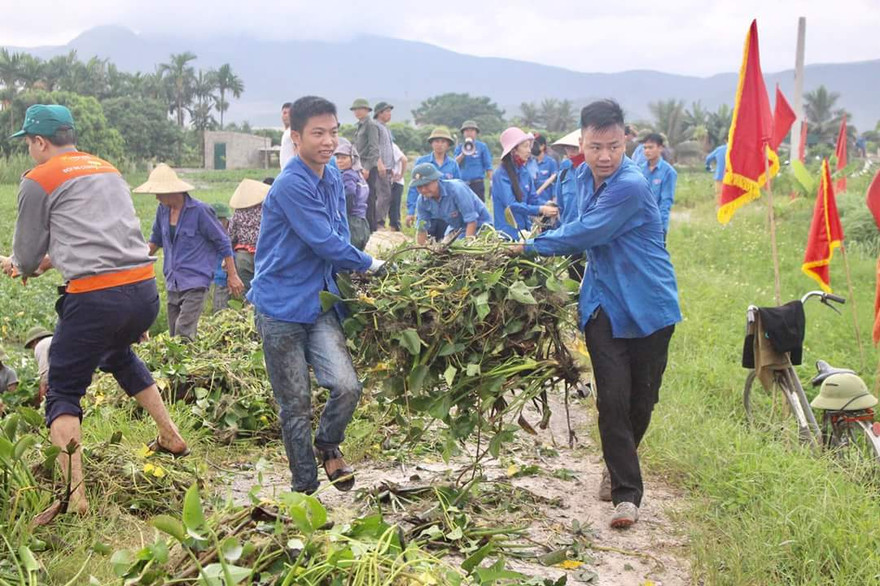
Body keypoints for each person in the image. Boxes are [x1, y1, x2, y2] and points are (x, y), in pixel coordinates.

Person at [2, 104, 189, 524]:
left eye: (29, 143)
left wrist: (22, 264)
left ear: (39, 142)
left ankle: (75, 500)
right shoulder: (107, 169)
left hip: (95, 298)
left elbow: (28, 257)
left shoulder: (39, 178)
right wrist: (53, 260)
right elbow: (97, 237)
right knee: (118, 355)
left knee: (63, 391)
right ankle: (169, 435)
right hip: (142, 291)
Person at [512, 99, 681, 529]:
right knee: (612, 399)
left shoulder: (632, 185)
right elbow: (572, 224)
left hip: (649, 304)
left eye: (613, 147)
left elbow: (588, 231)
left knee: (643, 399)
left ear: (626, 141)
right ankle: (628, 496)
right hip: (603, 302)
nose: (604, 157)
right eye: (594, 147)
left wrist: (529, 247)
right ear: (581, 142)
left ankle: (617, 462)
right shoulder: (575, 177)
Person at [247, 96, 386, 495]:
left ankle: (327, 444)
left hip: (320, 301)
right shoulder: (292, 184)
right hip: (280, 307)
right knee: (295, 405)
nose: (328, 142)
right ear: (296, 137)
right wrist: (371, 264)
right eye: (318, 133)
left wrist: (358, 272)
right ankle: (304, 491)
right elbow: (323, 240)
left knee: (346, 385)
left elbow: (339, 236)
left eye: (334, 133)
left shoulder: (330, 178)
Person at [135, 164, 244, 340]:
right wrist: (135, 263)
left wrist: (232, 275)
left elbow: (222, 241)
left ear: (172, 191)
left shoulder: (200, 211)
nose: (156, 197)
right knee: (173, 335)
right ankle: (178, 365)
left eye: (159, 193)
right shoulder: (162, 211)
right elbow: (155, 240)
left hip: (195, 280)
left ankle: (182, 362)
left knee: (183, 331)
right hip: (173, 280)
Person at [491, 127, 558, 240]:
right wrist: (540, 209)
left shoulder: (524, 172)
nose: (529, 150)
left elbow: (533, 199)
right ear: (513, 150)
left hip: (525, 232)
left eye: (529, 146)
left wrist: (547, 205)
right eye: (525, 146)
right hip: (507, 236)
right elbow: (511, 205)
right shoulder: (500, 174)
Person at [411, 163, 492, 245]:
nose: (423, 190)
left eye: (426, 185)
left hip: (480, 226)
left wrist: (467, 246)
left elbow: (472, 221)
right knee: (441, 251)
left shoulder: (456, 189)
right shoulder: (422, 201)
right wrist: (421, 251)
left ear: (436, 180)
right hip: (456, 228)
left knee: (464, 252)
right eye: (419, 187)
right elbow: (422, 229)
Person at [405, 126, 462, 237]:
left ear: (448, 144)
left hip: (448, 215)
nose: (439, 144)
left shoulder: (453, 164)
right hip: (428, 212)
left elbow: (458, 188)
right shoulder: (422, 162)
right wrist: (411, 212)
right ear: (431, 143)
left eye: (443, 142)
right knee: (427, 244)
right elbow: (414, 188)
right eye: (436, 141)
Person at [229, 178, 270, 298]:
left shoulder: (238, 213)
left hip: (243, 256)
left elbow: (230, 235)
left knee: (246, 290)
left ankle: (247, 313)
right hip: (263, 254)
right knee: (263, 288)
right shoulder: (265, 209)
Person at [351, 98, 383, 232]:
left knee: (369, 198)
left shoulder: (371, 125)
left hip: (367, 167)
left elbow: (374, 149)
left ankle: (371, 229)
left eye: (360, 109)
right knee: (361, 197)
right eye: (355, 110)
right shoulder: (360, 125)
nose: (357, 112)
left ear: (366, 110)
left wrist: (368, 168)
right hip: (359, 166)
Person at [638, 133, 678, 237]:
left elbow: (666, 201)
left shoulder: (668, 172)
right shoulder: (639, 170)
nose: (647, 151)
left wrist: (659, 227)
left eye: (650, 147)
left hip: (656, 225)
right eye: (645, 148)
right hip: (638, 224)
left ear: (660, 148)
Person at [335, 138, 371, 250]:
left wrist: (343, 213)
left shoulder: (347, 175)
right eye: (338, 158)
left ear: (353, 159)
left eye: (344, 158)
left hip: (352, 222)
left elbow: (349, 193)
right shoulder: (359, 175)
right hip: (362, 221)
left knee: (349, 252)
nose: (339, 161)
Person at [454, 120, 493, 202]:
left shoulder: (482, 146)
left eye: (472, 130)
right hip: (463, 184)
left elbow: (488, 166)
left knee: (479, 209)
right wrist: (463, 154)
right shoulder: (459, 147)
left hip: (477, 184)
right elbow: (454, 164)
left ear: (476, 133)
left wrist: (491, 182)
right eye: (467, 130)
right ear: (463, 133)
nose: (469, 133)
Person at [373, 101, 395, 230]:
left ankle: (380, 221)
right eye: (387, 111)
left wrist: (390, 167)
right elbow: (374, 147)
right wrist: (380, 163)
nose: (389, 114)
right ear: (379, 113)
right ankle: (378, 222)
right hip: (379, 167)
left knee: (386, 195)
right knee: (384, 195)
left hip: (387, 167)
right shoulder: (375, 126)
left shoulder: (385, 127)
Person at [210, 202, 232, 313]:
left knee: (221, 309)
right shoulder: (209, 233)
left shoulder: (229, 233)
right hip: (215, 278)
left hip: (224, 278)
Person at [24, 326, 52, 406]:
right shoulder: (54, 340)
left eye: (31, 347)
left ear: (35, 341)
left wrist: (42, 403)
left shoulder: (41, 345)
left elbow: (45, 375)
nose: (33, 349)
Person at [532, 134, 559, 204]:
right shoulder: (531, 163)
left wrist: (554, 199)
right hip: (534, 203)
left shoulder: (551, 162)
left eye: (535, 145)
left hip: (547, 202)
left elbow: (555, 183)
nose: (532, 147)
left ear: (543, 146)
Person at [389, 142, 407, 231]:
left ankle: (395, 228)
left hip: (396, 181)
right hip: (390, 181)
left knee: (394, 206)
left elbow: (404, 159)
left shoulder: (392, 146)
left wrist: (401, 175)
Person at [280, 102, 296, 168]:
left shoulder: (293, 131)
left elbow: (297, 150)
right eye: (284, 113)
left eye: (289, 113)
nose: (286, 115)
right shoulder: (286, 132)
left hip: (292, 170)